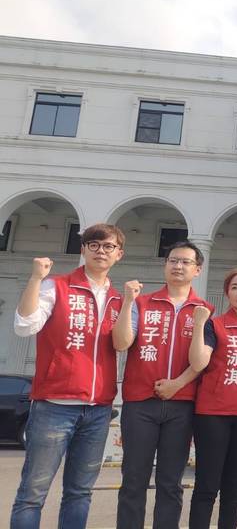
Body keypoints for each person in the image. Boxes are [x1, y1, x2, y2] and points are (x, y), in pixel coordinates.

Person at [10, 223, 125, 529]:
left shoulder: (118, 300)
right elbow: (24, 325)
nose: (101, 251)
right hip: (54, 407)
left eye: (108, 246)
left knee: (79, 493)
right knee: (33, 493)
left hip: (98, 410)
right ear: (83, 250)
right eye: (94, 245)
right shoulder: (56, 286)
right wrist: (36, 279)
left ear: (119, 254)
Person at [112, 241, 214, 529]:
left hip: (181, 408)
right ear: (165, 265)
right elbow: (121, 343)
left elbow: (202, 361)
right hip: (140, 404)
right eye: (173, 260)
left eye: (185, 262)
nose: (178, 266)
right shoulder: (143, 303)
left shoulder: (204, 310)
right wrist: (128, 301)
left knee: (170, 483)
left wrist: (176, 386)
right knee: (134, 479)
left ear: (197, 269)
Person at [187, 268, 237, 529]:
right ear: (227, 294)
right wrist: (200, 323)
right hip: (213, 416)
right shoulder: (216, 325)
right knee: (207, 486)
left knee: (234, 487)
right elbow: (199, 361)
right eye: (234, 287)